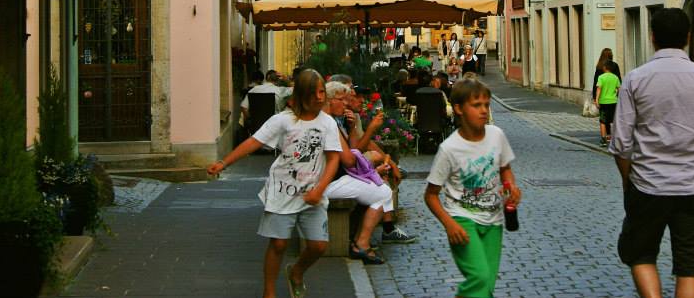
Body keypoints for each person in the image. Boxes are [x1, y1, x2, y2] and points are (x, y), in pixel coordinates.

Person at [609, 8, 694, 298]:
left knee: (640, 254)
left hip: (648, 184)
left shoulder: (636, 79)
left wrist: (629, 181)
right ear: (688, 38)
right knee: (691, 266)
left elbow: (621, 142)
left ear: (652, 37)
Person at [206, 69, 340, 298]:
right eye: (315, 92)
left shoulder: (327, 123)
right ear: (302, 94)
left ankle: (296, 272)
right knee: (278, 244)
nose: (320, 97)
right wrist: (223, 162)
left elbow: (334, 157)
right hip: (282, 192)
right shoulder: (282, 120)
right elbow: (253, 142)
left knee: (318, 246)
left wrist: (320, 189)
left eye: (322, 92)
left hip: (312, 195)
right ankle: (268, 292)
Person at [425, 78, 521, 298]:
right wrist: (449, 224)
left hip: (494, 221)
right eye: (476, 105)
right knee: (479, 277)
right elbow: (430, 196)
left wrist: (510, 186)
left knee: (486, 285)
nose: (484, 111)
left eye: (486, 105)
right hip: (462, 220)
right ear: (458, 109)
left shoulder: (497, 135)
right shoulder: (449, 149)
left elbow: (504, 168)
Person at [322, 81, 414, 264]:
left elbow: (353, 150)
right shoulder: (329, 123)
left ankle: (362, 240)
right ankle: (361, 243)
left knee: (380, 187)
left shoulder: (335, 121)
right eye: (342, 99)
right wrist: (372, 168)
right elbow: (349, 159)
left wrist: (352, 129)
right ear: (329, 100)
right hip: (327, 182)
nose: (346, 103)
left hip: (333, 178)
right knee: (382, 191)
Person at [595, 60, 621, 146]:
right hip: (613, 101)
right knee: (613, 120)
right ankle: (614, 138)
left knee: (603, 121)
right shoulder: (615, 77)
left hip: (603, 102)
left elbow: (599, 89)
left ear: (605, 67)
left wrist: (597, 100)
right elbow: (619, 89)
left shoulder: (601, 77)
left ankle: (603, 139)